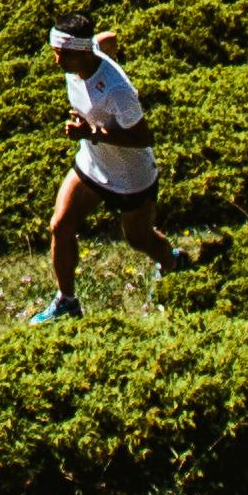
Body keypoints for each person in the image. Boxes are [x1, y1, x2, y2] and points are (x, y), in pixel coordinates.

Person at [30, 18, 168, 321]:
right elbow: (107, 38)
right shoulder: (87, 54)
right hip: (92, 164)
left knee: (139, 238)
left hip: (130, 176)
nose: (57, 61)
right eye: (55, 52)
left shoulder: (118, 92)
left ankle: (171, 261)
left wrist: (90, 133)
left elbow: (144, 138)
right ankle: (66, 301)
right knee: (60, 225)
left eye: (63, 54)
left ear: (82, 52)